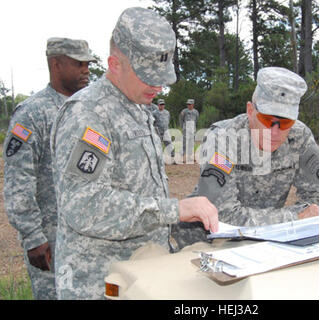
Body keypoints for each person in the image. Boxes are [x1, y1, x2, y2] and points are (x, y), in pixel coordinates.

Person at [50, 7, 218, 300]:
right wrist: (174, 209)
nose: (158, 85)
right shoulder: (89, 113)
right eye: (147, 75)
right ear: (114, 64)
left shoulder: (136, 105)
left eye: (162, 75)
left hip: (140, 275)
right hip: (99, 283)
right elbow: (84, 206)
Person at [172, 67, 319, 249]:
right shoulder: (223, 139)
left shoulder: (300, 137)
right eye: (267, 120)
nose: (275, 131)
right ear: (250, 110)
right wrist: (296, 217)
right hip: (207, 242)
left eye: (286, 122)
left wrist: (310, 213)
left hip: (270, 241)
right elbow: (224, 214)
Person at [2, 37, 95, 300]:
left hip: (89, 235)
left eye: (87, 63)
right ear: (56, 64)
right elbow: (18, 181)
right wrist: (33, 237)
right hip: (51, 240)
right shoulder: (32, 114)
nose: (86, 70)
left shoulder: (88, 110)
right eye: (78, 64)